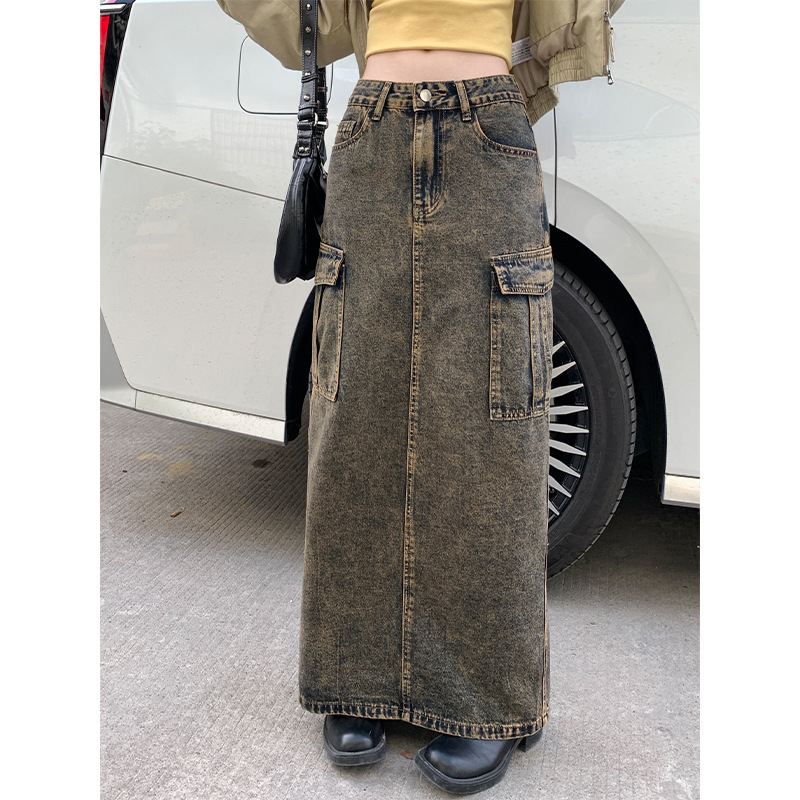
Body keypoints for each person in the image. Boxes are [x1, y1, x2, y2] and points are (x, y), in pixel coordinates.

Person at [215, 0, 623, 794]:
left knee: (490, 428)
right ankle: (355, 678)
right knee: (357, 415)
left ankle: (492, 699)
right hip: (373, 129)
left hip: (488, 129)